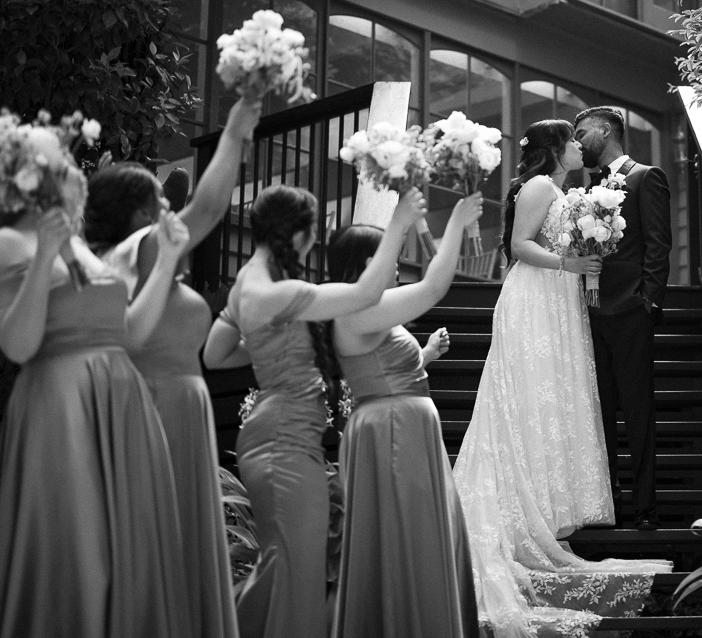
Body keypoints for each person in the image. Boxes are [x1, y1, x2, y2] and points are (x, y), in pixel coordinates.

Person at [453, 119, 671, 638]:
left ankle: (544, 507)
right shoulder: (538, 186)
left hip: (558, 300)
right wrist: (569, 264)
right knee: (529, 398)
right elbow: (518, 245)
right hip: (534, 298)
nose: (578, 145)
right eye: (571, 140)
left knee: (550, 402)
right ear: (555, 149)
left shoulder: (563, 189)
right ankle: (524, 509)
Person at [202, 184, 427, 638]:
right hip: (285, 439)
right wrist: (399, 223)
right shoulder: (277, 291)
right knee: (297, 570)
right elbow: (365, 293)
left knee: (285, 564)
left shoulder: (248, 284)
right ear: (300, 234)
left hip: (276, 432)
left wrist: (271, 352)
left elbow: (215, 355)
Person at [0, 128, 194, 638]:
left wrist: (167, 260)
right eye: (65, 165)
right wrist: (44, 254)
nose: (77, 174)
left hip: (121, 400)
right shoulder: (9, 242)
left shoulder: (82, 247)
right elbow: (17, 346)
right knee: (79, 548)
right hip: (62, 405)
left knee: (126, 547)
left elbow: (129, 334)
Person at [85, 94, 262, 638]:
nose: (169, 209)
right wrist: (234, 130)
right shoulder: (144, 247)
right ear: (141, 214)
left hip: (173, 406)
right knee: (162, 535)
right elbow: (207, 209)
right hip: (159, 408)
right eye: (160, 200)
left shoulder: (123, 257)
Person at [326, 190, 484, 638]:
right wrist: (455, 224)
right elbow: (433, 287)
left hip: (402, 425)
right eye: (386, 254)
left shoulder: (367, 311)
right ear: (365, 263)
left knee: (418, 530)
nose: (395, 263)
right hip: (393, 430)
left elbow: (385, 370)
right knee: (408, 533)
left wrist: (426, 354)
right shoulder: (355, 310)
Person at [572, 106, 671, 531]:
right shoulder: (584, 189)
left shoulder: (645, 177)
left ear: (605, 130)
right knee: (599, 413)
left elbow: (658, 244)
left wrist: (648, 301)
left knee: (637, 409)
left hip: (631, 311)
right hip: (591, 311)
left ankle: (645, 506)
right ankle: (607, 501)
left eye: (581, 133)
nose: (576, 142)